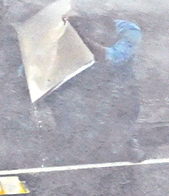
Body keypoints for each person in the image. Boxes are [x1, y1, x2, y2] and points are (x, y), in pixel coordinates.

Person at [47, 14, 144, 162]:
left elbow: (114, 58)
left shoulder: (128, 30)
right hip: (83, 84)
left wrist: (82, 39)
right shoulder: (69, 29)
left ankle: (128, 140)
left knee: (123, 102)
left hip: (116, 85)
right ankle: (68, 142)